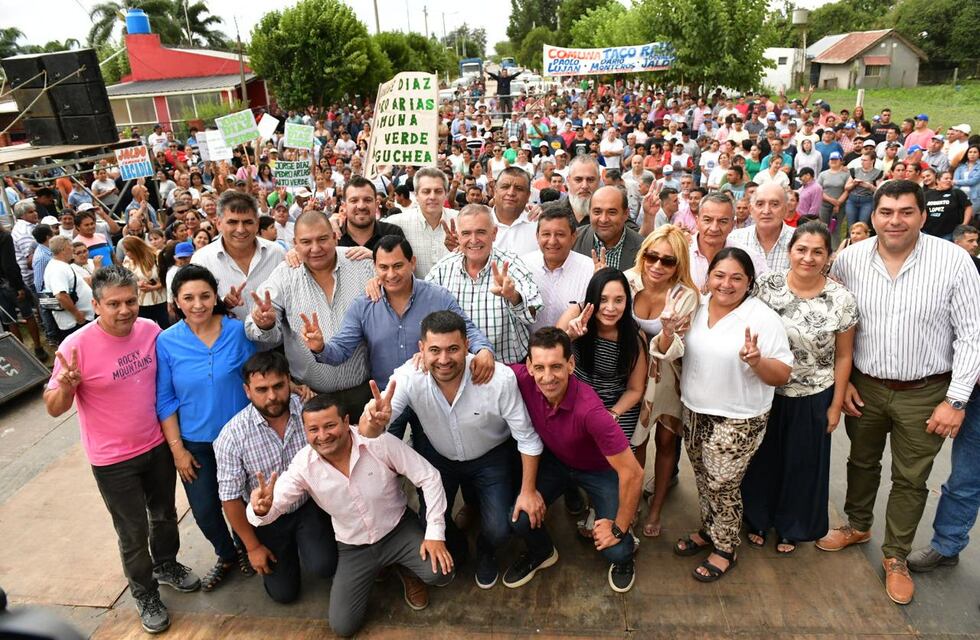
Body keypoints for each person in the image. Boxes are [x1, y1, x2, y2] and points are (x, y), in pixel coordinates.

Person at [817, 180, 980, 606]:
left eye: (906, 211)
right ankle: (857, 524)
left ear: (923, 216)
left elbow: (972, 336)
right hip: (866, 385)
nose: (895, 220)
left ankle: (896, 556)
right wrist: (844, 379)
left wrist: (956, 399)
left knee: (910, 478)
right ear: (872, 217)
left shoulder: (954, 262)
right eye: (886, 212)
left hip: (926, 391)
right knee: (862, 461)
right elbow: (833, 322)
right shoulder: (849, 260)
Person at [44, 266, 200, 634]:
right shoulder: (75, 347)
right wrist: (66, 386)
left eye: (130, 301)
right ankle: (144, 592)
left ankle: (166, 565)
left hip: (156, 445)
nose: (125, 310)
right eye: (113, 304)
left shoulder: (149, 330)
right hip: (113, 460)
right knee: (131, 532)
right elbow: (53, 407)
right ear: (96, 305)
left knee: (163, 514)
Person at [358, 310, 545, 590]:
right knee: (431, 520)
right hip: (439, 457)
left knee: (499, 527)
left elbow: (527, 438)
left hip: (491, 457)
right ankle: (457, 547)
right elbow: (369, 430)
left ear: (467, 346)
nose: (444, 359)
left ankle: (485, 549)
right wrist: (372, 421)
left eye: (453, 349)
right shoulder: (408, 376)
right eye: (434, 350)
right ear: (421, 348)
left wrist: (528, 490)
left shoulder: (499, 379)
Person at [246, 393, 454, 637]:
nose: (322, 435)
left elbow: (428, 476)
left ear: (346, 422)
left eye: (330, 425)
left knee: (440, 573)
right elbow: (273, 507)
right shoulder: (303, 465)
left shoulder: (378, 442)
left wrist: (434, 533)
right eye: (313, 429)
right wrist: (260, 509)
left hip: (397, 529)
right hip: (354, 547)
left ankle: (404, 567)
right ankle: (380, 568)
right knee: (343, 627)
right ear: (305, 431)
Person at [674, 247, 792, 582]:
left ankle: (726, 547)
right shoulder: (695, 307)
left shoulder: (761, 318)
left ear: (749, 282)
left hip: (739, 417)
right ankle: (708, 529)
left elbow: (782, 374)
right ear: (708, 278)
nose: (726, 284)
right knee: (701, 476)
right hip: (695, 409)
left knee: (722, 483)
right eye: (719, 275)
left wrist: (756, 361)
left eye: (736, 277)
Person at [741, 222, 858, 553]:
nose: (808, 258)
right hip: (766, 390)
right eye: (801, 249)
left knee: (803, 464)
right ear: (790, 251)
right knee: (763, 460)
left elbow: (845, 355)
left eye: (817, 252)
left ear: (828, 257)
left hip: (813, 394)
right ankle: (759, 519)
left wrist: (835, 405)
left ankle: (793, 526)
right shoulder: (766, 286)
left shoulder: (841, 298)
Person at [507, 327, 643, 593]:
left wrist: (619, 528)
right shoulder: (522, 378)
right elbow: (480, 367)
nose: (547, 377)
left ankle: (626, 554)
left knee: (616, 549)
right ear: (529, 367)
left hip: (599, 471)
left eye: (556, 366)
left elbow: (634, 473)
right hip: (558, 463)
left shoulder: (591, 411)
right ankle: (543, 552)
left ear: (571, 364)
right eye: (540, 367)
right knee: (519, 518)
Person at [156, 265, 257, 592]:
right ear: (176, 302)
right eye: (188, 298)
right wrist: (178, 450)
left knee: (245, 501)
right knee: (205, 509)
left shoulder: (238, 331)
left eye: (204, 296)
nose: (198, 304)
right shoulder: (167, 342)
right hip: (195, 444)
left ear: (216, 297)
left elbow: (257, 378)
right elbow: (166, 399)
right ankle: (226, 554)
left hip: (241, 440)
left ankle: (248, 547)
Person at [214, 351, 337, 604]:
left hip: (307, 505)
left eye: (278, 386)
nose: (272, 396)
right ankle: (284, 551)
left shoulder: (308, 411)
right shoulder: (231, 436)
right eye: (262, 389)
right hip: (266, 517)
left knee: (325, 565)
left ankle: (312, 545)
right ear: (247, 391)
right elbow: (230, 499)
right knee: (284, 594)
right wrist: (253, 547)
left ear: (289, 381)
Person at [306, 234, 496, 389]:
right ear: (375, 267)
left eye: (397, 266)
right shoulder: (363, 306)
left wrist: (483, 350)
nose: (391, 274)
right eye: (383, 267)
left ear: (412, 263)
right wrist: (320, 348)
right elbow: (340, 351)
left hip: (433, 393)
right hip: (388, 396)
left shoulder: (438, 297)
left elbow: (467, 329)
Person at [246, 210, 375, 411]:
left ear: (335, 237)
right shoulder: (285, 275)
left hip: (363, 392)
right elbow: (260, 330)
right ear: (295, 244)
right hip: (311, 396)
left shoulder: (361, 263)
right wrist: (265, 323)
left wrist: (377, 256)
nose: (316, 248)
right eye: (306, 242)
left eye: (323, 239)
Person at [628, 225, 700, 538]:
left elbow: (676, 350)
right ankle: (630, 504)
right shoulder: (626, 282)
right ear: (643, 255)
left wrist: (667, 334)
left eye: (667, 261)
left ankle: (656, 507)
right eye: (652, 256)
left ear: (679, 264)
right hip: (631, 376)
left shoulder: (686, 297)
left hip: (669, 378)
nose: (657, 265)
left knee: (667, 442)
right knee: (636, 443)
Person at [425, 205, 541, 364]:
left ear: (494, 234)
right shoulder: (442, 269)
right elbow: (420, 305)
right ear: (458, 236)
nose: (473, 240)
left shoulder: (510, 265)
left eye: (481, 232)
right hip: (457, 370)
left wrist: (513, 296)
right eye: (466, 233)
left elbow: (534, 308)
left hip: (508, 366)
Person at [191, 190, 286, 323]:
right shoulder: (201, 260)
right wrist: (222, 303)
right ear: (218, 224)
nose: (241, 229)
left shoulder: (277, 253)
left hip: (276, 342)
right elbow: (195, 308)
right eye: (232, 222)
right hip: (228, 343)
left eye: (247, 222)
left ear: (257, 224)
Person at [522, 200, 594, 332]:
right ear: (537, 236)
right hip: (529, 350)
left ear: (573, 237)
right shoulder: (523, 266)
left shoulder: (590, 270)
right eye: (546, 234)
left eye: (560, 234)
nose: (552, 241)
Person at [384, 168, 458, 277]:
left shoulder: (461, 220)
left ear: (446, 194)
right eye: (426, 191)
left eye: (438, 191)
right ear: (416, 195)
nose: (432, 197)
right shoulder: (396, 223)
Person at [688, 193, 768, 289]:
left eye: (723, 221)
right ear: (697, 222)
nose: (714, 228)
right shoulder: (680, 251)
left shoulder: (749, 257)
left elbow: (768, 289)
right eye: (707, 220)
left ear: (732, 225)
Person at [572, 185, 644, 271]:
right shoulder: (572, 240)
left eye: (612, 212)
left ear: (625, 214)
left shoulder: (642, 249)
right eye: (597, 212)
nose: (603, 219)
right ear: (589, 212)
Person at [728, 183, 796, 272]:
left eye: (774, 204)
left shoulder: (798, 240)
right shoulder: (735, 240)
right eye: (760, 204)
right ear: (751, 209)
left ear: (786, 209)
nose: (766, 211)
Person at [43, 236, 94, 342]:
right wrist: (77, 314)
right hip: (75, 322)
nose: (72, 249)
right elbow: (61, 296)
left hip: (79, 320)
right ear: (63, 250)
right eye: (70, 247)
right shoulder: (58, 269)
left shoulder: (60, 265)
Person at [120, 236, 168, 328]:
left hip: (161, 300)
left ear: (137, 249)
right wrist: (136, 284)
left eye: (128, 251)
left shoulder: (157, 256)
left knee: (166, 328)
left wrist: (155, 287)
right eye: (125, 251)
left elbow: (167, 277)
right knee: (145, 331)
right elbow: (125, 278)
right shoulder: (127, 259)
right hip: (141, 302)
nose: (127, 253)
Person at [923, 170, 973, 240]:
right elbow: (922, 211)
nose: (949, 180)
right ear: (937, 180)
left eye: (950, 179)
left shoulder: (957, 193)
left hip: (949, 233)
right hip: (928, 232)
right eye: (946, 178)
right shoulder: (927, 194)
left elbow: (968, 207)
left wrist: (964, 224)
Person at [843, 154, 883, 228]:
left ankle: (862, 239)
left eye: (865, 160)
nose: (862, 162)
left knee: (863, 225)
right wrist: (854, 184)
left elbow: (880, 191)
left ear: (872, 161)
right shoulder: (855, 171)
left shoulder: (878, 173)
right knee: (851, 225)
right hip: (852, 200)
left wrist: (869, 186)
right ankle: (850, 239)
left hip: (867, 201)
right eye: (862, 160)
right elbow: (846, 187)